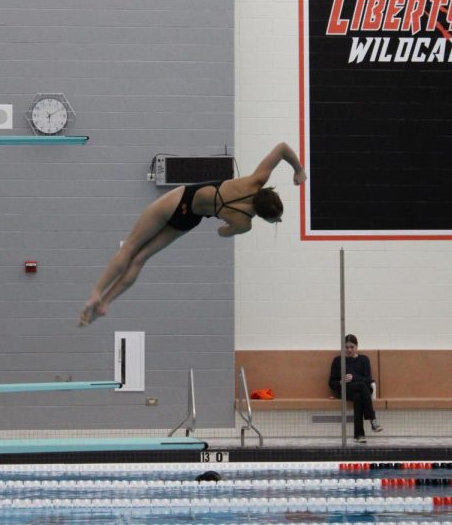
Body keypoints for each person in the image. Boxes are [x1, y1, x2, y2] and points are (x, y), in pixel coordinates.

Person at [79, 142, 306, 326]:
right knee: (140, 258)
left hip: (181, 198)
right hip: (190, 219)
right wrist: (230, 220)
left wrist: (298, 170)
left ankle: (96, 293)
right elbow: (221, 233)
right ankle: (105, 302)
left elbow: (283, 148)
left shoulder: (255, 181)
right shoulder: (244, 224)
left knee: (130, 247)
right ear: (263, 215)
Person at [329, 334, 383, 443]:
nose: (349, 350)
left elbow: (368, 379)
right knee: (361, 387)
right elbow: (331, 383)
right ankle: (372, 419)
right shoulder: (338, 360)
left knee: (358, 396)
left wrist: (354, 377)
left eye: (351, 347)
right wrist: (340, 382)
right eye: (346, 347)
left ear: (356, 347)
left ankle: (359, 435)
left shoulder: (364, 360)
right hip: (346, 390)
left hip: (362, 391)